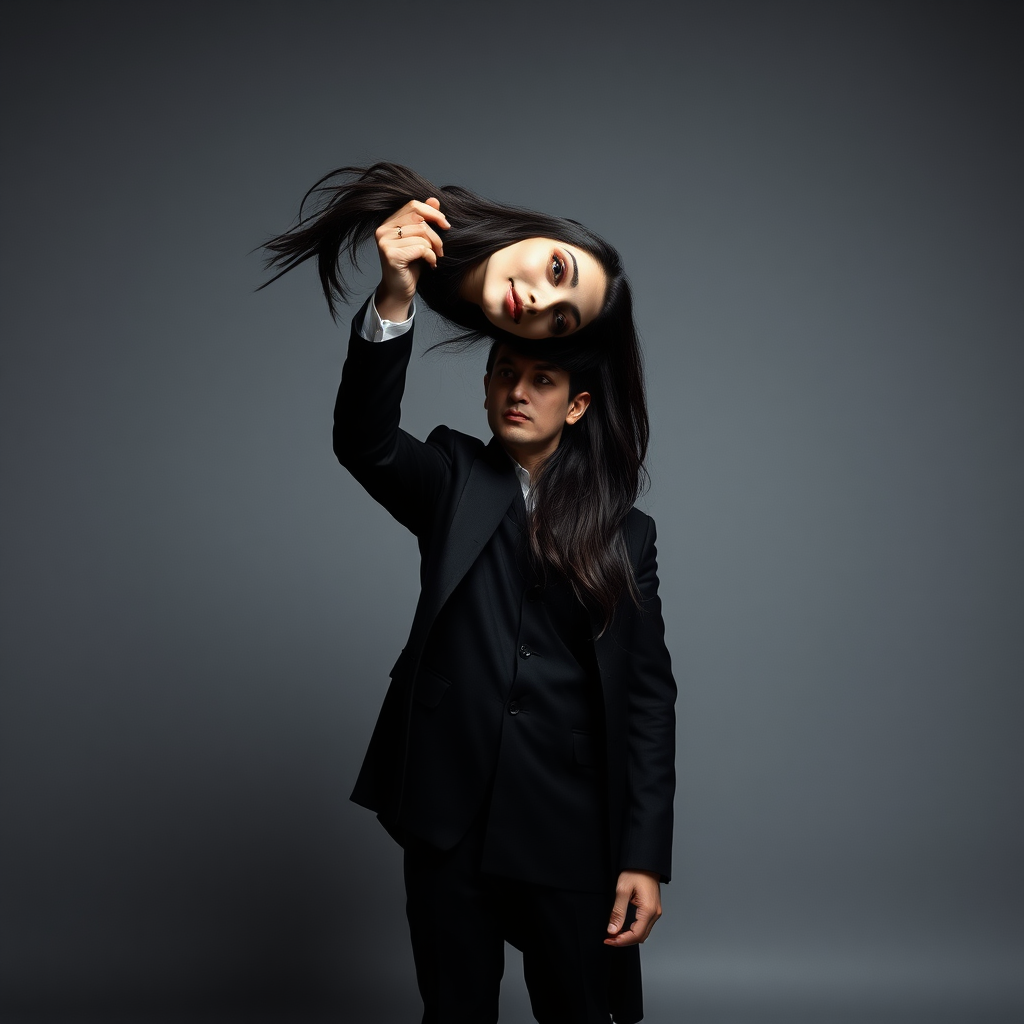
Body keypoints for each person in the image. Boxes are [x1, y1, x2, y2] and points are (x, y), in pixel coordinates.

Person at [263, 163, 677, 1024]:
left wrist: (643, 856)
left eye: (544, 380)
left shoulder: (625, 536)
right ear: (487, 387)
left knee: (577, 1011)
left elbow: (646, 701)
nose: (520, 391)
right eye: (506, 375)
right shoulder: (453, 477)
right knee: (453, 1013)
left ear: (575, 406)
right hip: (447, 818)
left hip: (567, 828)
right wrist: (393, 299)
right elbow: (364, 442)